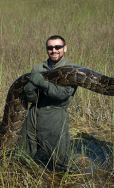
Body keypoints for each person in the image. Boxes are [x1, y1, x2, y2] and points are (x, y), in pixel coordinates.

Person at [17, 35, 77, 172]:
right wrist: (29, 91)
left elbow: (62, 94)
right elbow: (32, 99)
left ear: (65, 48)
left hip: (55, 115)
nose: (54, 50)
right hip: (34, 114)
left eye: (58, 47)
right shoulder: (38, 68)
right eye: (50, 48)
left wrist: (42, 83)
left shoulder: (72, 69)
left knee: (60, 164)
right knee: (22, 155)